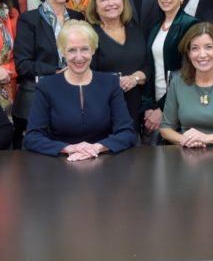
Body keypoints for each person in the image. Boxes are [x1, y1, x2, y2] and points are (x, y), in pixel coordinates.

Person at [24, 20, 138, 160]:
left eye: (84, 49)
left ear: (93, 49)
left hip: (103, 159)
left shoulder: (111, 83)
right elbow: (32, 137)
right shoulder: (46, 86)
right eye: (72, 50)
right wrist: (69, 149)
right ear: (62, 52)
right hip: (60, 162)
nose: (79, 57)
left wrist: (97, 148)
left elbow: (127, 132)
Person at [14, 0, 84, 147]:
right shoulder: (28, 20)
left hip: (71, 100)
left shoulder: (78, 18)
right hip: (36, 100)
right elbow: (23, 64)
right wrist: (56, 71)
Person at [142, 0, 200, 142]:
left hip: (180, 104)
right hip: (154, 104)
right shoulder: (155, 27)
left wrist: (162, 108)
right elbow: (150, 67)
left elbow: (188, 72)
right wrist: (149, 106)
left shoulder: (190, 25)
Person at [87, 0, 149, 124]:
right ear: (95, 4)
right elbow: (86, 74)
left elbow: (147, 65)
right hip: (103, 111)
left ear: (123, 0)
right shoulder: (89, 34)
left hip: (135, 110)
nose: (111, 3)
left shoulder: (134, 27)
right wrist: (115, 82)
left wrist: (134, 78)